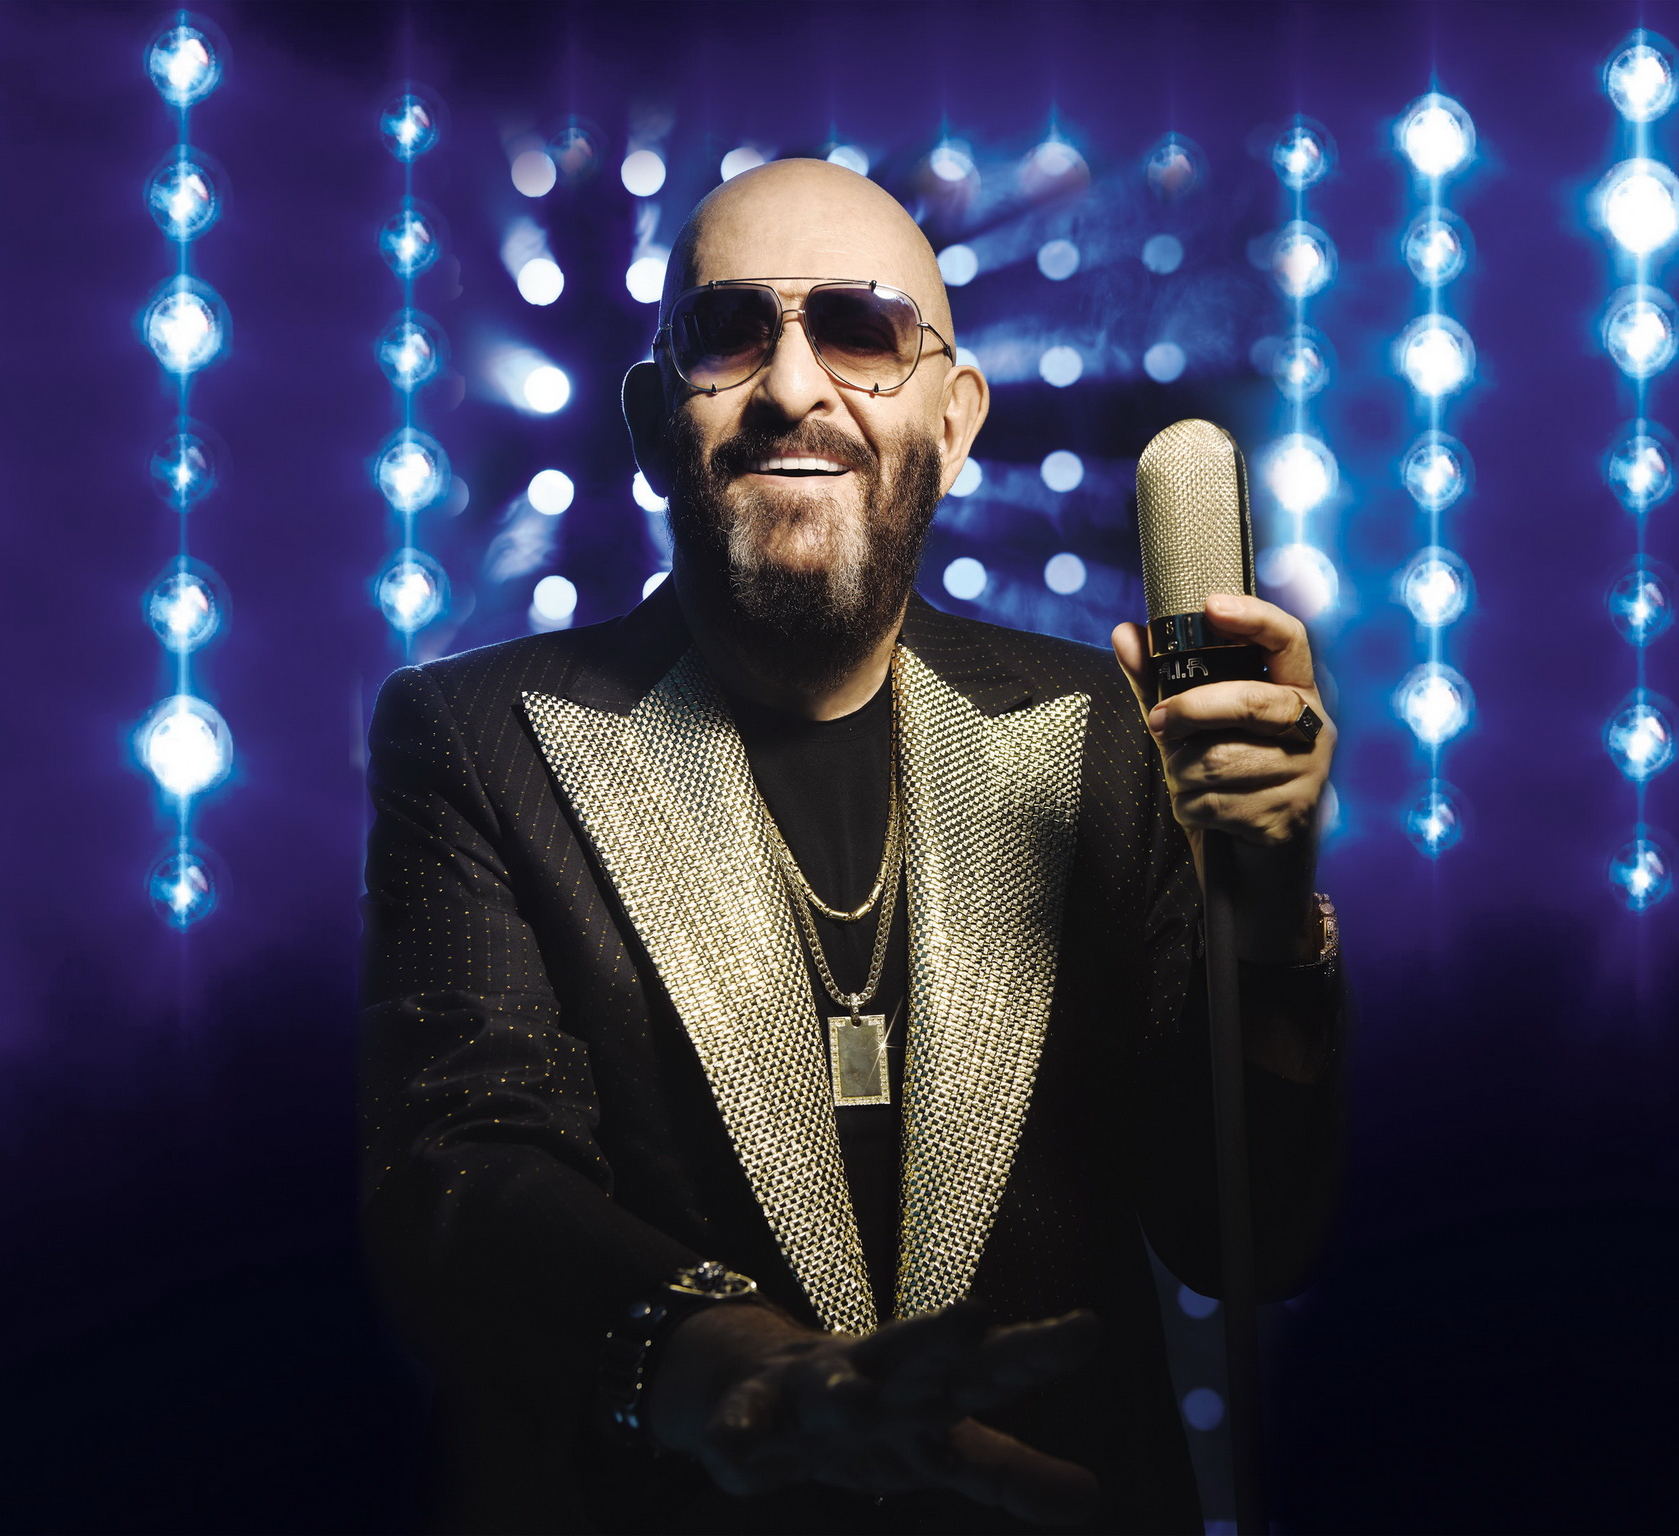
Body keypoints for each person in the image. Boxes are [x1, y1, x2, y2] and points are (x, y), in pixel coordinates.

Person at [360, 158, 1348, 1534]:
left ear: (955, 419)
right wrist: (722, 1363)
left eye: (859, 329)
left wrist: (1269, 907)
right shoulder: (475, 736)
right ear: (651, 419)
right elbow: (464, 1173)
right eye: (726, 335)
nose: (791, 388)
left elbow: (1246, 1239)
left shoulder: (1103, 734)